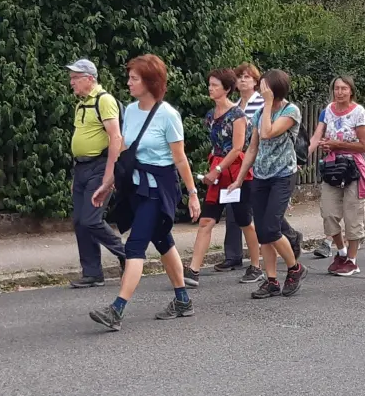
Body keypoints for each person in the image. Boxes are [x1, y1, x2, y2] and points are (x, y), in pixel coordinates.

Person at [88, 54, 200, 330]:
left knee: (135, 247)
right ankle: (183, 300)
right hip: (136, 187)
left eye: (134, 78)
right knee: (163, 241)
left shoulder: (168, 115)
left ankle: (117, 309)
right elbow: (126, 153)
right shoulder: (131, 110)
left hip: (158, 190)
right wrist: (108, 184)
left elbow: (180, 159)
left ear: (150, 82)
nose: (128, 82)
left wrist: (193, 193)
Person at [237, 70, 308, 298]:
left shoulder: (291, 111)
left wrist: (267, 104)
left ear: (275, 88)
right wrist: (239, 178)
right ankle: (271, 280)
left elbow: (268, 133)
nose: (261, 89)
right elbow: (253, 147)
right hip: (261, 175)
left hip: (282, 175)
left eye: (265, 86)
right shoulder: (260, 113)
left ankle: (295, 268)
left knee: (271, 227)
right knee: (262, 232)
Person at [184, 68, 258, 284]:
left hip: (236, 173)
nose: (210, 88)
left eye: (215, 85)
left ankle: (256, 265)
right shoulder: (210, 115)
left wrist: (216, 170)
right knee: (207, 220)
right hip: (218, 171)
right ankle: (193, 271)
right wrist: (214, 169)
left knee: (245, 221)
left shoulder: (238, 116)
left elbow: (237, 148)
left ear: (227, 89)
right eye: (210, 84)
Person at [66, 58, 126, 288]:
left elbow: (115, 138)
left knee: (91, 219)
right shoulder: (81, 104)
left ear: (89, 79)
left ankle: (126, 254)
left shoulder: (104, 100)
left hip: (99, 166)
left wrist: (109, 175)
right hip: (81, 168)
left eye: (75, 78)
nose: (72, 83)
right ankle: (92, 273)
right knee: (80, 222)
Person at [308, 75, 365, 275]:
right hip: (332, 167)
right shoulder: (327, 111)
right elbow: (316, 136)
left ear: (351, 91)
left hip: (353, 166)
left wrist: (338, 145)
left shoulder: (358, 112)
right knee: (328, 213)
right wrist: (302, 156)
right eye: (337, 88)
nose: (339, 92)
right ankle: (341, 251)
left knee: (352, 214)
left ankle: (352, 260)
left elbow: (364, 144)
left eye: (344, 89)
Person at [217, 63, 264, 274]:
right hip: (236, 163)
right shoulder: (234, 106)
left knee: (260, 210)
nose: (243, 80)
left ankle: (290, 238)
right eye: (240, 77)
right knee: (233, 207)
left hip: (258, 162)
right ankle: (233, 255)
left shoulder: (262, 103)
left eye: (247, 77)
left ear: (256, 81)